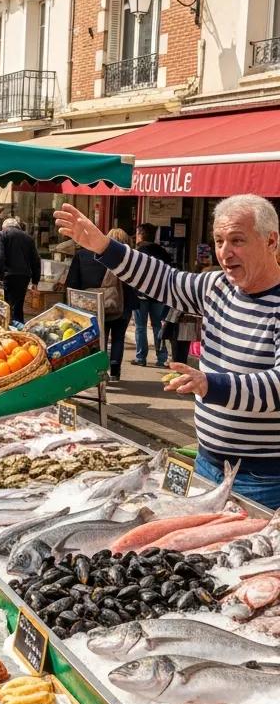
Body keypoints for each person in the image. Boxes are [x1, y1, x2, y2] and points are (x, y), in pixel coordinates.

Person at [55, 195, 280, 507]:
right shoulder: (216, 287)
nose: (225, 253)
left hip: (264, 480)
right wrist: (104, 247)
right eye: (218, 241)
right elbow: (165, 280)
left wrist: (210, 384)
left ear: (271, 241)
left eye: (237, 240)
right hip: (207, 463)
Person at [67, 230, 137, 382]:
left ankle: (100, 371)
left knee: (99, 338)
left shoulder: (83, 255)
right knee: (119, 338)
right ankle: (115, 372)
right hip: (121, 305)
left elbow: (72, 283)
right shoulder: (127, 259)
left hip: (92, 304)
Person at [132, 223, 172, 368]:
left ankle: (141, 357)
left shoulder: (138, 252)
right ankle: (162, 358)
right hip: (159, 295)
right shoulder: (163, 252)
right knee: (158, 326)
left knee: (140, 326)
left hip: (140, 295)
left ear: (141, 234)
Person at [0, 216, 41, 323]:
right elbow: (36, 260)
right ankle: (19, 328)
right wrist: (35, 281)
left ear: (4, 227)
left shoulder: (1, 234)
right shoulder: (28, 238)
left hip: (7, 276)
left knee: (5, 306)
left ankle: (8, 328)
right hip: (24, 276)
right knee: (18, 306)